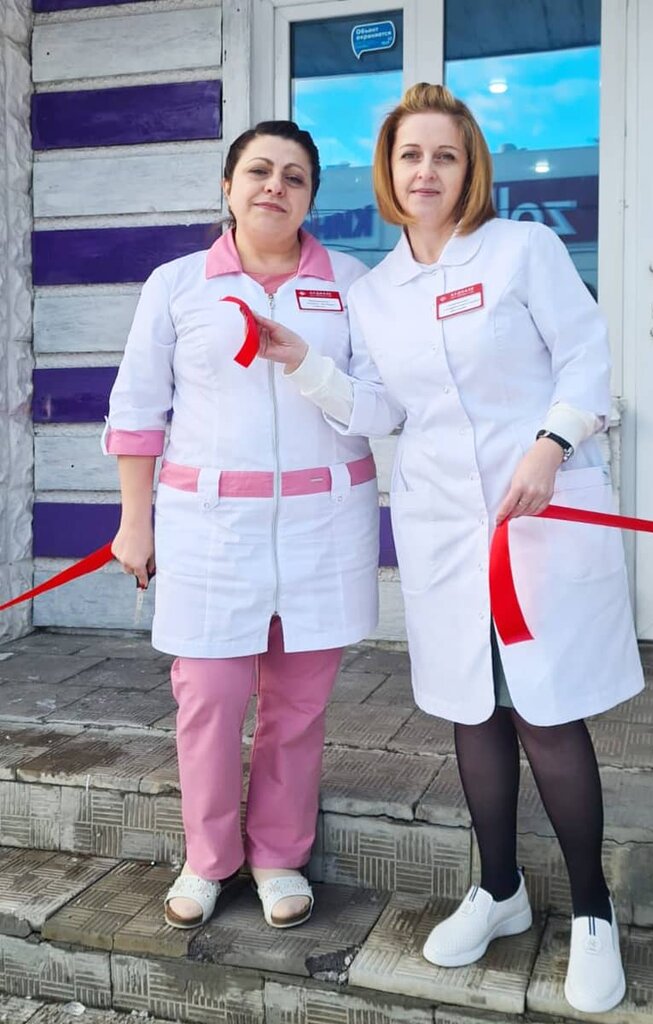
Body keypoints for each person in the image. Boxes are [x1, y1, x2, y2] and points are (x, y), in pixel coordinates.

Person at [251, 84, 645, 1014]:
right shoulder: (375, 294)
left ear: (470, 170)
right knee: (473, 707)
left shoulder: (523, 251)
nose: (425, 171)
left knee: (545, 707)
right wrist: (303, 362)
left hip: (538, 513)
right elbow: (380, 408)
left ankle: (592, 911)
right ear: (387, 173)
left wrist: (551, 445)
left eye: (444, 155)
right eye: (409, 155)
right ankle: (500, 891)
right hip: (443, 523)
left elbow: (586, 357)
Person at [105, 122, 379, 931]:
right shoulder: (178, 284)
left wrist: (308, 364)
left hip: (322, 525)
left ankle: (279, 855)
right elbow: (137, 409)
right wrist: (134, 523)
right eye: (258, 171)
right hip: (210, 526)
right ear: (228, 187)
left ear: (311, 198)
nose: (274, 187)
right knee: (209, 697)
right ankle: (209, 857)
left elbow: (382, 401)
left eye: (294, 177)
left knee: (298, 704)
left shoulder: (353, 285)